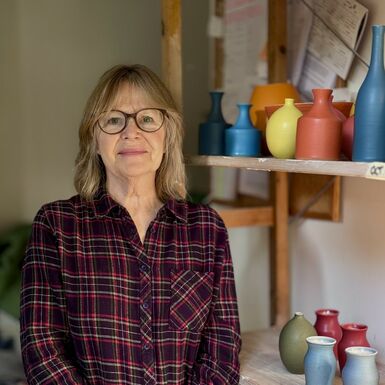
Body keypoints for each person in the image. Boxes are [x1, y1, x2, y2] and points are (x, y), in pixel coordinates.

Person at [20, 64, 241, 385]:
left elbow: (222, 348)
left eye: (148, 119)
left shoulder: (206, 228)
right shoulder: (56, 225)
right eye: (113, 120)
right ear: (94, 141)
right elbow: (41, 349)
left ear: (168, 138)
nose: (131, 131)